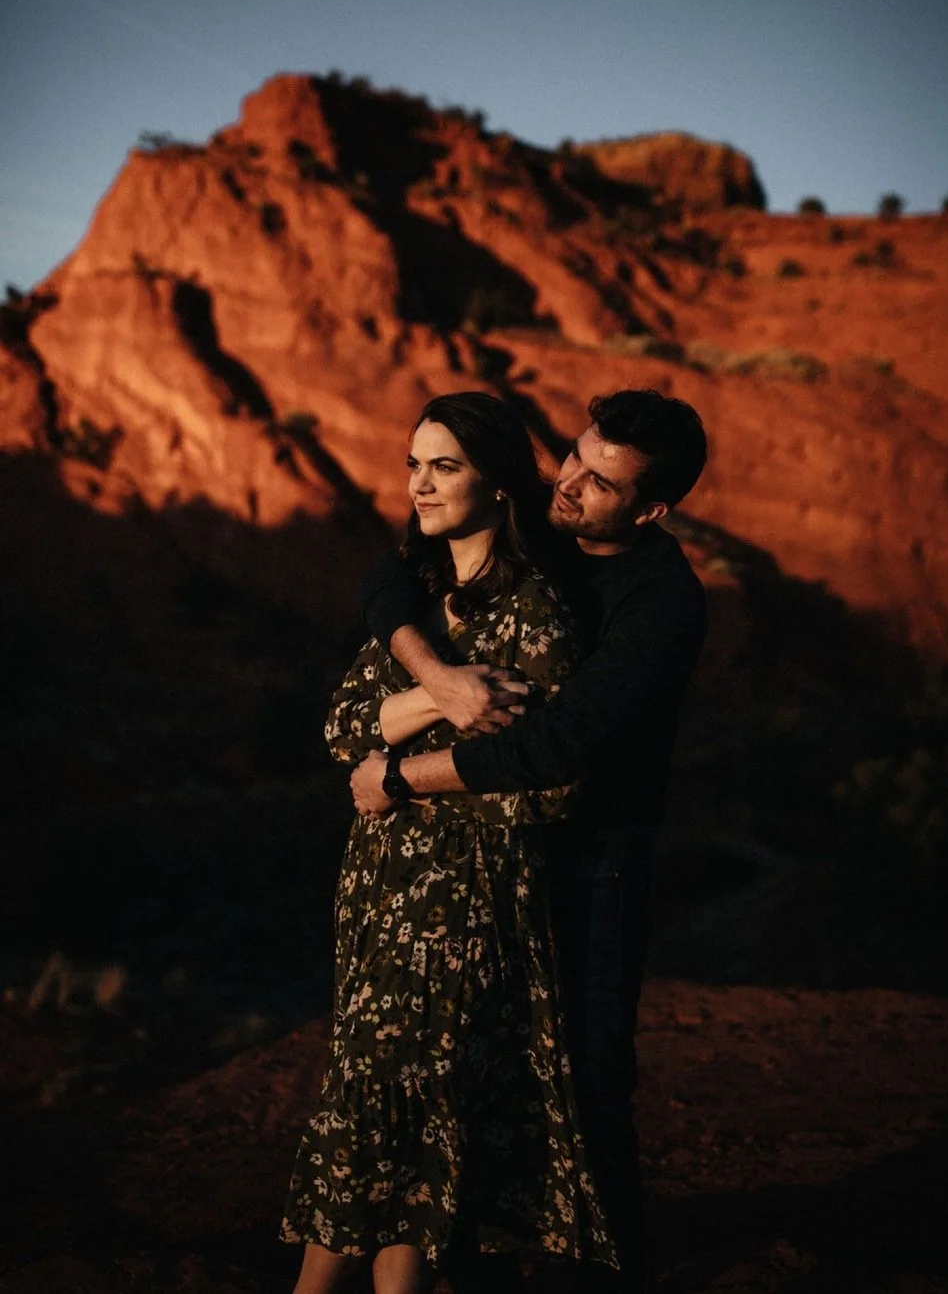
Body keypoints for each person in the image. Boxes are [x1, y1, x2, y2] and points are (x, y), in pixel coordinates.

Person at [351, 389, 709, 1290]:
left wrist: (397, 778)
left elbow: (556, 747)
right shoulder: (540, 532)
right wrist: (437, 675)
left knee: (586, 1084)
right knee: (477, 1075)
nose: (573, 483)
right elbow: (388, 576)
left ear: (651, 508)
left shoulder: (660, 601)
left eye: (601, 480)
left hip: (592, 863)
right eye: (575, 458)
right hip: (489, 862)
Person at [281, 391, 616, 1294]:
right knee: (400, 1124)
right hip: (379, 895)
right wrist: (445, 692)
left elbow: (546, 786)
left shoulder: (537, 619)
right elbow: (345, 723)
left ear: (499, 484)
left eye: (445, 466)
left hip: (463, 908)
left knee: (394, 1119)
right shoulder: (421, 597)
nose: (420, 485)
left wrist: (399, 773)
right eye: (413, 464)